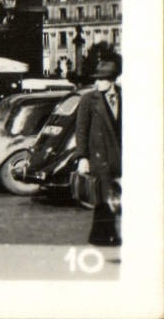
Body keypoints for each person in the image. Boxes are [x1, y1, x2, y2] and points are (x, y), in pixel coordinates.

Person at [73, 56, 122, 246]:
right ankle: (105, 236)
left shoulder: (124, 96)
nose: (97, 82)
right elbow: (81, 129)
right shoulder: (88, 99)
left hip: (119, 153)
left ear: (112, 80)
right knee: (104, 196)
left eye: (101, 79)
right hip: (99, 154)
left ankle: (102, 235)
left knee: (113, 195)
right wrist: (82, 157)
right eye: (96, 79)